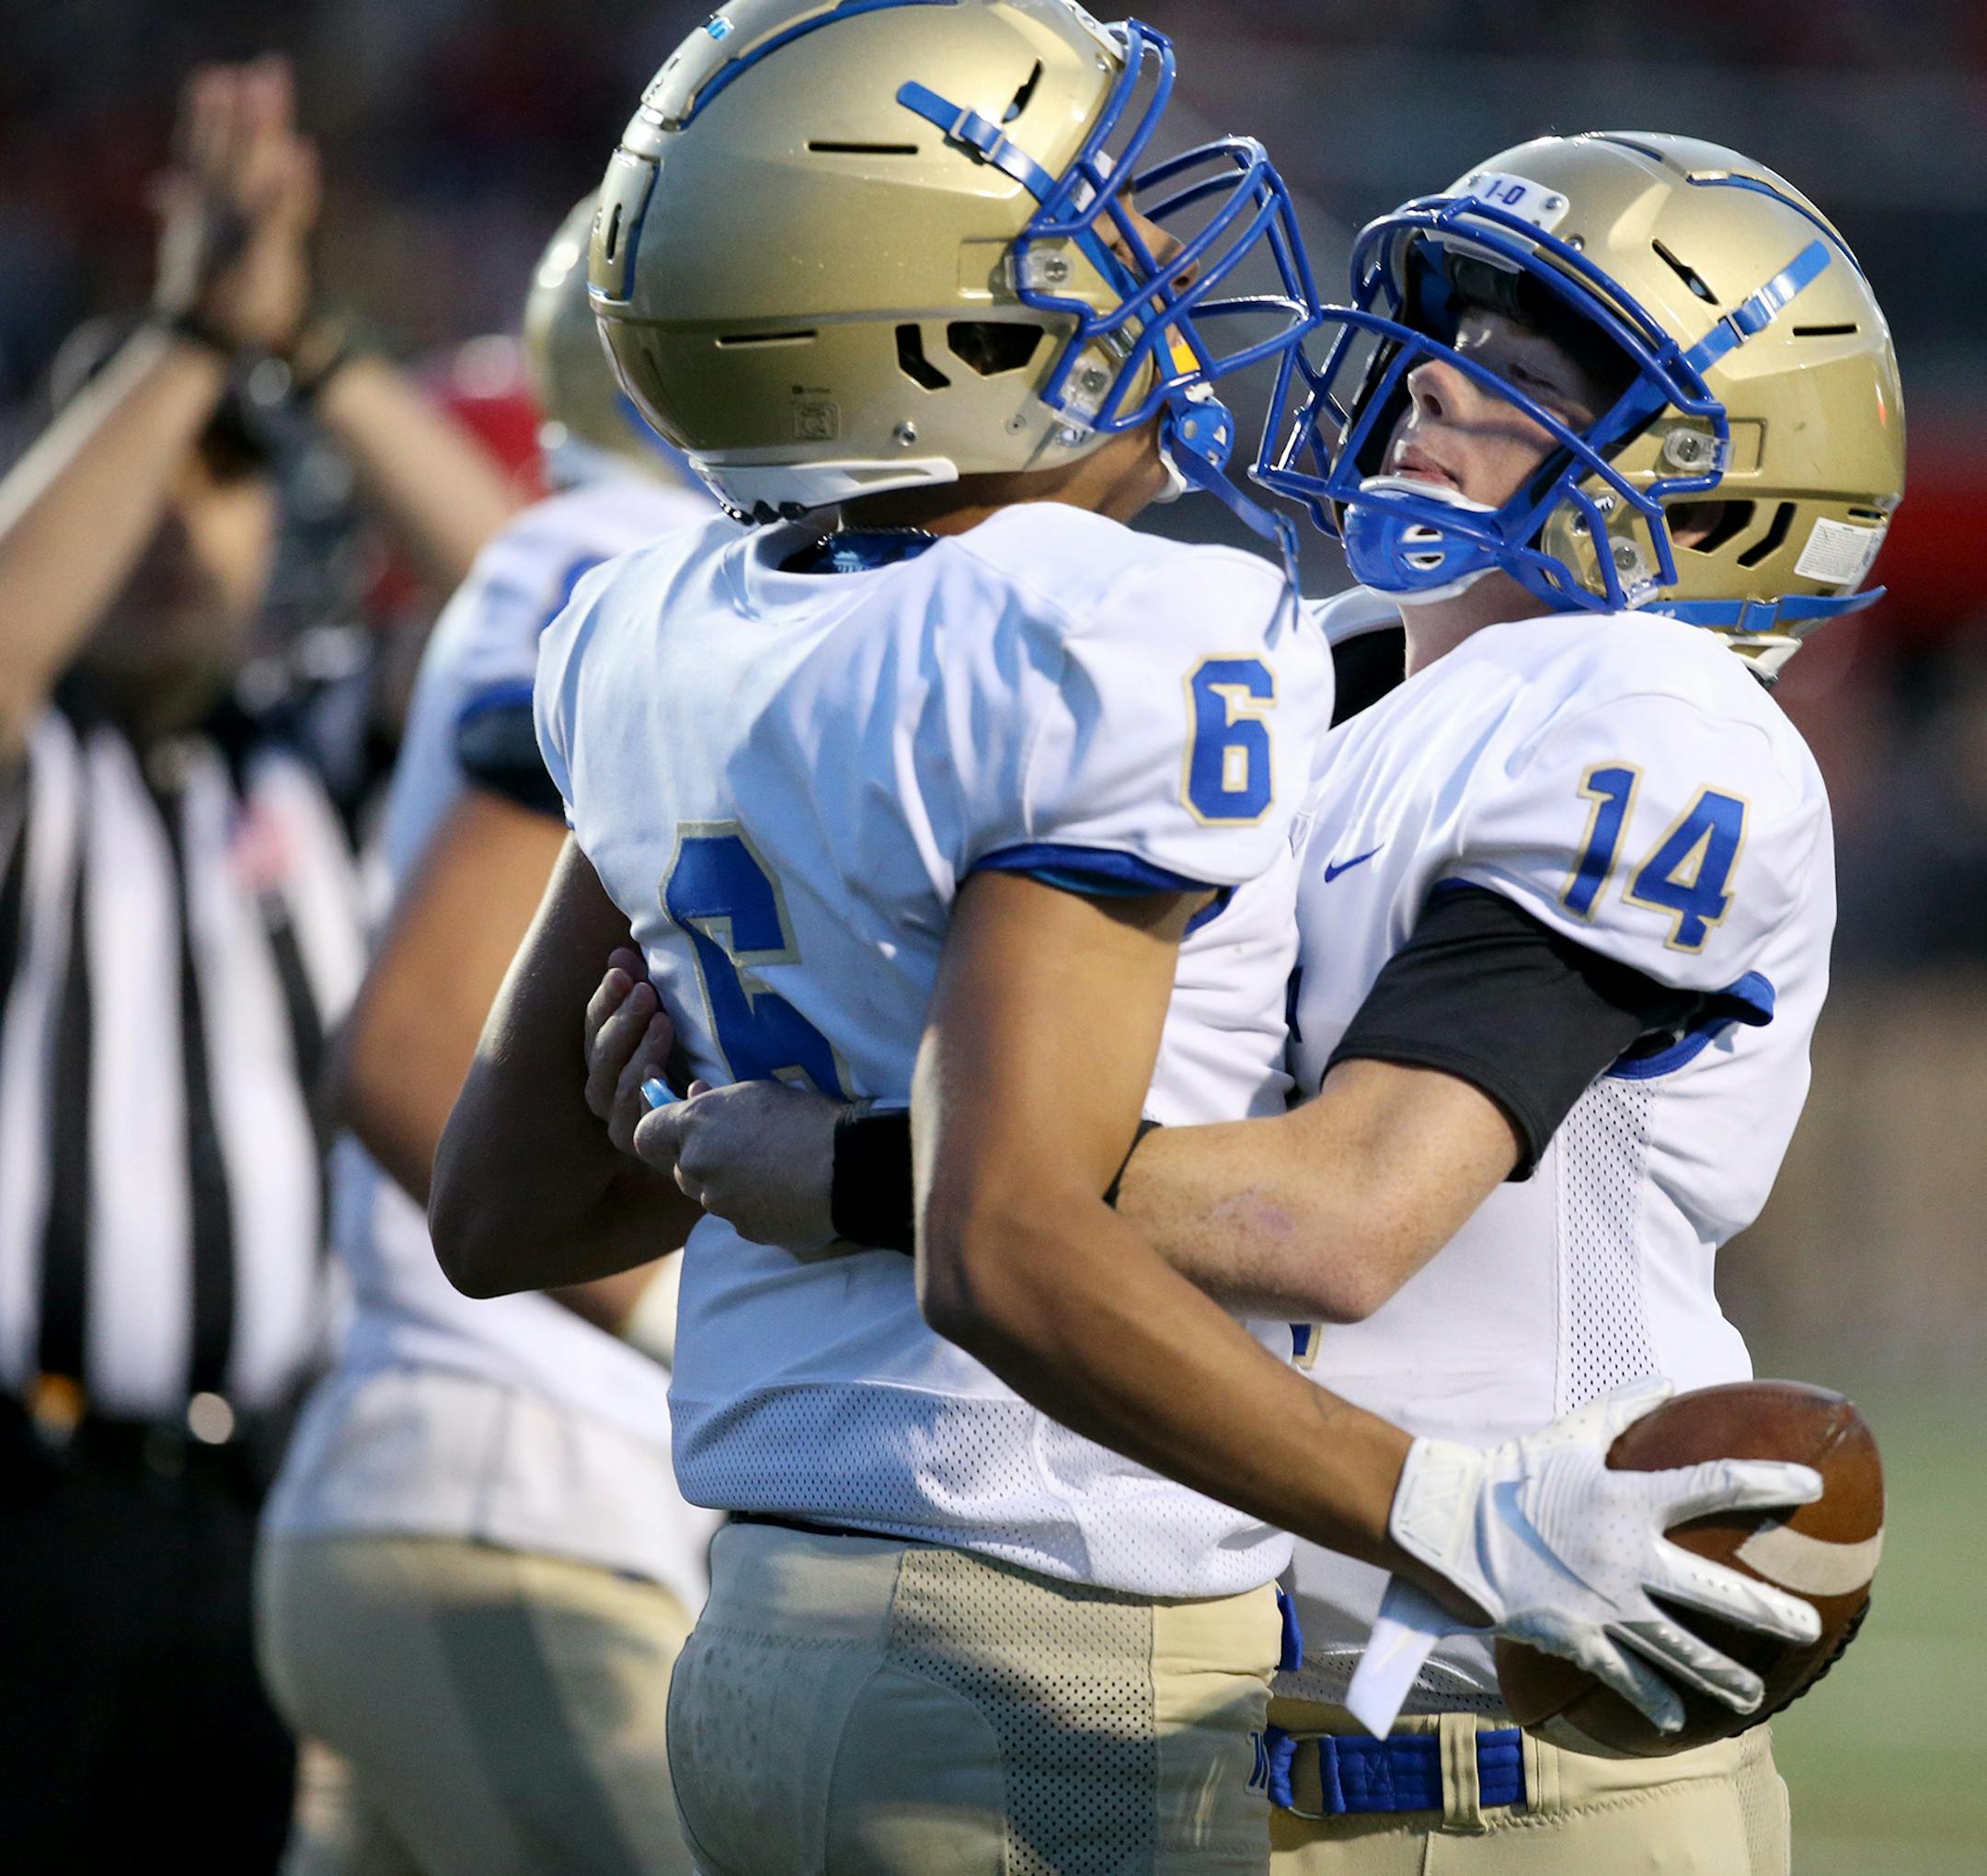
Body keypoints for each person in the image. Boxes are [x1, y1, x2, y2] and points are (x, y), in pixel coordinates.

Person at [431, 8, 1823, 1870]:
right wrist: (841, 1167)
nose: (1158, 285)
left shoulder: (645, 610)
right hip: (1063, 1641)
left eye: (1526, 371)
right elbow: (1012, 1224)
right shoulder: (1147, 623)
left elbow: (503, 1210)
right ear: (927, 322)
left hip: (824, 1629)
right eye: (1085, 243)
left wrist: (800, 1151)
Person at [0, 56, 519, 1870]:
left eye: (221, 480)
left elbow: (540, 607)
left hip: (287, 1508)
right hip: (38, 1507)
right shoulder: (35, 782)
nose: (169, 519)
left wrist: (297, 345)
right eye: (136, 470)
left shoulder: (315, 762)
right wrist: (180, 348)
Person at [254, 195, 719, 1876]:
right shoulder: (620, 569)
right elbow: (406, 1056)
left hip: (469, 1502)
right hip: (509, 1505)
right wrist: (700, 1312)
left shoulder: (600, 551)